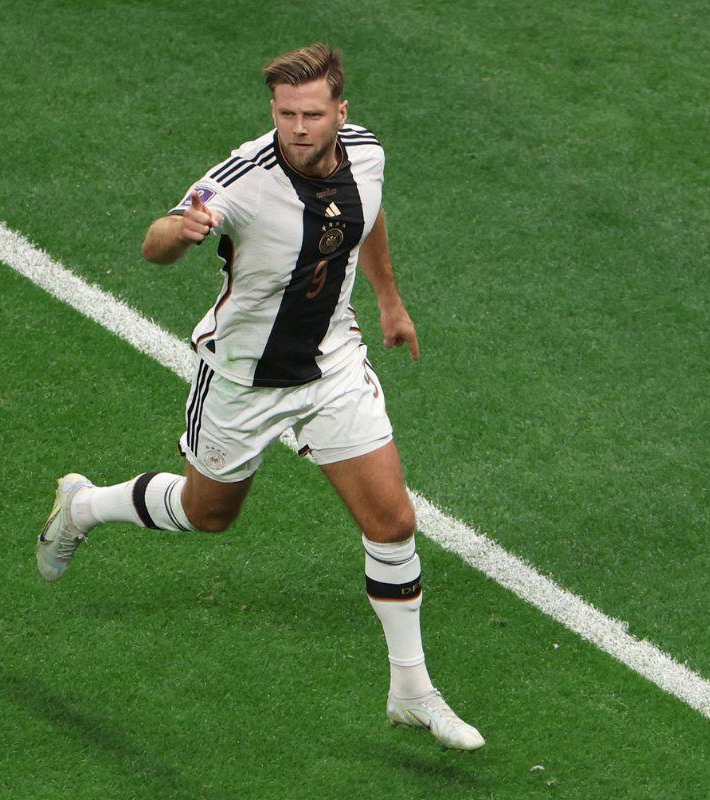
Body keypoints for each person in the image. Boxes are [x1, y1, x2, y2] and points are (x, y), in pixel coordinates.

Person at [36, 43, 483, 751]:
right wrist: (179, 234)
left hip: (332, 364)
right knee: (206, 514)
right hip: (243, 377)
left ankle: (412, 690)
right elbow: (154, 245)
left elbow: (365, 219)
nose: (298, 127)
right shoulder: (239, 180)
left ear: (341, 110)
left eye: (311, 113)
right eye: (285, 114)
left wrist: (390, 301)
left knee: (393, 521)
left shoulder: (366, 153)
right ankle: (85, 505)